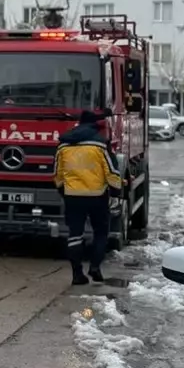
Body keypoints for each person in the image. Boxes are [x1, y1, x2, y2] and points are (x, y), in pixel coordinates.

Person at [54, 110, 123, 285]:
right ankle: (94, 268)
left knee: (74, 234)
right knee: (101, 233)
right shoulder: (99, 145)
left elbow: (57, 173)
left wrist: (63, 190)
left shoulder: (63, 145)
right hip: (97, 196)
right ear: (93, 126)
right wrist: (116, 191)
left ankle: (77, 274)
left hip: (72, 196)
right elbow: (111, 171)